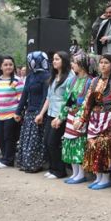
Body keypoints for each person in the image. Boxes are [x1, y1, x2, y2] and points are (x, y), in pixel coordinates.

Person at [80, 54, 111, 190]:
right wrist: (82, 118)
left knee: (104, 146)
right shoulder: (94, 82)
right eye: (101, 62)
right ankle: (98, 177)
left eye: (106, 63)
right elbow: (87, 101)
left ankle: (105, 178)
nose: (103, 65)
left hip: (108, 117)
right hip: (94, 117)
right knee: (92, 145)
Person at [37, 51, 72, 179]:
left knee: (53, 142)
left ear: (64, 61)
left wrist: (60, 117)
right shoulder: (54, 76)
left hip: (61, 114)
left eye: (57, 59)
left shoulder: (70, 77)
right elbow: (48, 97)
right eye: (53, 59)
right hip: (51, 112)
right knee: (47, 141)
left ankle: (60, 170)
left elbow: (69, 99)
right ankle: (53, 168)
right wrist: (41, 113)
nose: (54, 61)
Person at [59, 53, 93, 183]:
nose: (72, 65)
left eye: (74, 62)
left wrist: (81, 117)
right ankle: (74, 173)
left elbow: (88, 102)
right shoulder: (71, 80)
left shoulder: (90, 81)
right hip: (71, 116)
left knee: (79, 145)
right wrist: (60, 117)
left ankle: (81, 174)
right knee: (70, 143)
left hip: (81, 118)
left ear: (82, 65)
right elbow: (66, 99)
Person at [15, 52, 50, 173]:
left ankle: (34, 164)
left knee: (35, 141)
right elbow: (25, 95)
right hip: (29, 112)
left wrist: (40, 113)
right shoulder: (30, 76)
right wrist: (18, 112)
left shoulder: (46, 76)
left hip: (39, 113)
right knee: (27, 139)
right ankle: (26, 163)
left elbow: (46, 97)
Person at [0, 56, 24, 169]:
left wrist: (18, 113)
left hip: (12, 115)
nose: (8, 67)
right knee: (0, 137)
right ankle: (5, 158)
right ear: (1, 67)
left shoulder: (17, 80)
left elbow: (21, 99)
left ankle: (8, 160)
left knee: (9, 137)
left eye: (10, 64)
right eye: (5, 65)